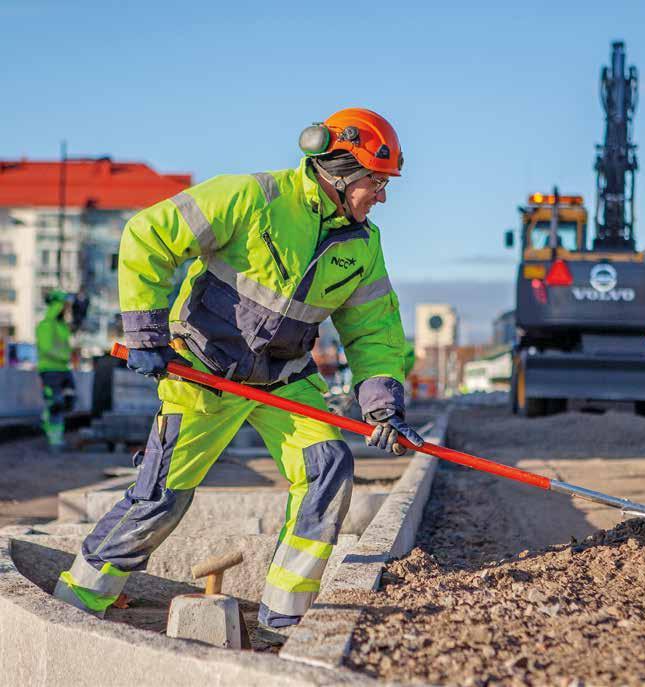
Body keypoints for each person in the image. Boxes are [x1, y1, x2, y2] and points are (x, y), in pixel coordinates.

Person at [54, 108, 423, 640]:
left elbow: (375, 334)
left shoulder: (363, 246)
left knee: (327, 466)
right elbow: (146, 236)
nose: (382, 197)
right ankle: (80, 598)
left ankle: (284, 619)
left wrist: (384, 407)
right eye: (376, 182)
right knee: (160, 496)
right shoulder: (252, 197)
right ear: (339, 172)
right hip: (203, 372)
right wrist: (146, 333)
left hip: (284, 379)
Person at [35, 290, 76, 451]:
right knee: (56, 404)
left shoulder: (62, 326)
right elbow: (46, 348)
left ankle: (49, 423)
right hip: (50, 370)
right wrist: (65, 356)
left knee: (69, 401)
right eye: (64, 306)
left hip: (64, 370)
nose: (66, 309)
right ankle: (55, 440)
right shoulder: (45, 326)